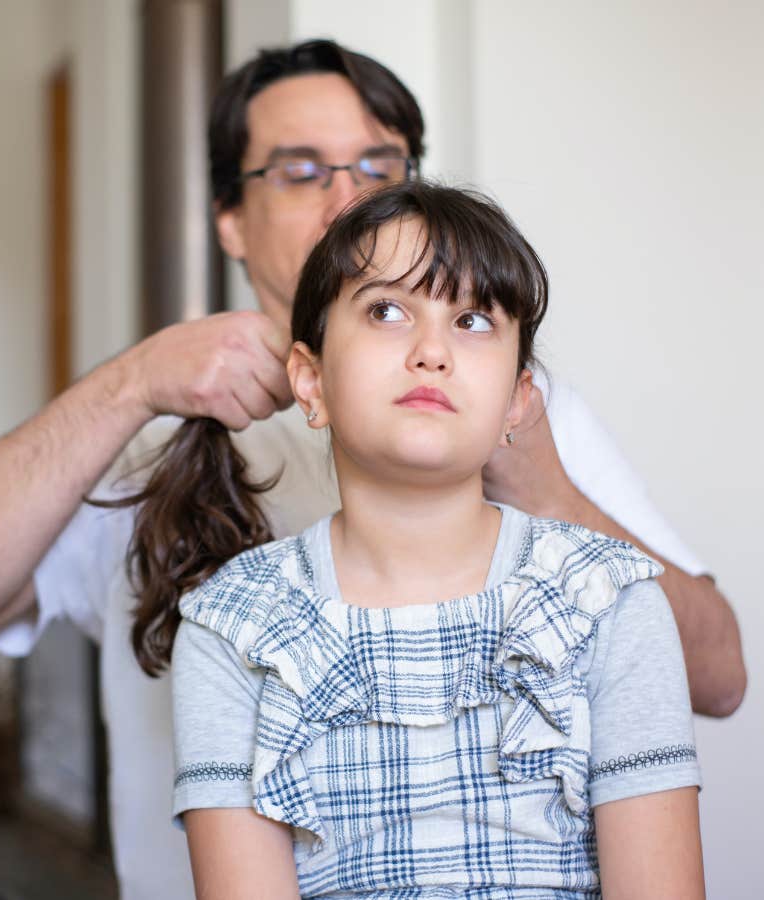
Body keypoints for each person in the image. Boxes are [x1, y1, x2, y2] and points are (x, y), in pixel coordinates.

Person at [0, 39, 739, 897]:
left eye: (377, 163)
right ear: (228, 219)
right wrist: (131, 385)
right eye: (300, 171)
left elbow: (719, 675)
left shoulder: (526, 415)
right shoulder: (162, 459)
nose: (347, 196)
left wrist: (538, 481)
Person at [170, 180, 705, 899]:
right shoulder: (232, 628)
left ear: (519, 401)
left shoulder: (611, 601)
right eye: (387, 310)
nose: (432, 351)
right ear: (311, 381)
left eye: (474, 321)